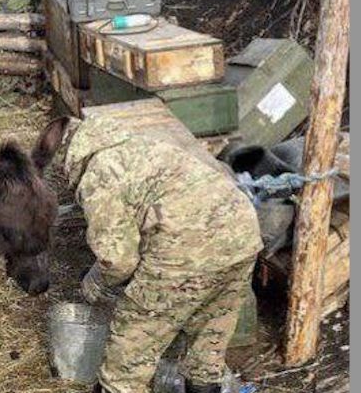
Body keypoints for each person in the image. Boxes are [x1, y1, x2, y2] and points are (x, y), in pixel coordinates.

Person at [61, 115, 263, 393]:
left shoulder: (100, 172)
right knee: (209, 341)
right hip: (242, 234)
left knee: (128, 359)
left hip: (185, 250)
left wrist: (96, 283)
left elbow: (117, 260)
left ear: (70, 155)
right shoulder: (146, 146)